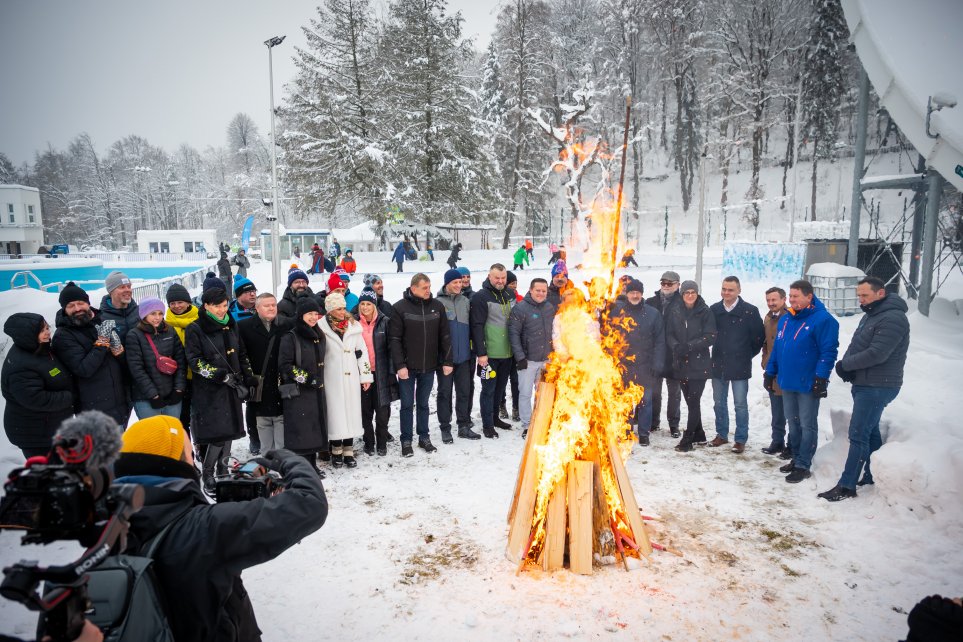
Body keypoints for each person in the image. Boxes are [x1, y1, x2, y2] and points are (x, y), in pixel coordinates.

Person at [112, 414, 327, 642]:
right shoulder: (206, 529)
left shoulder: (96, 526)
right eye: (189, 454)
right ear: (179, 462)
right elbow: (310, 503)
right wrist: (289, 459)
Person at [818, 277, 909, 501]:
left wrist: (845, 365)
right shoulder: (872, 314)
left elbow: (877, 353)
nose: (861, 300)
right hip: (865, 382)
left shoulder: (893, 318)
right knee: (870, 432)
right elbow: (858, 345)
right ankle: (871, 474)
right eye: (859, 295)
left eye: (865, 295)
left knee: (858, 434)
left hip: (878, 385)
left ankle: (847, 485)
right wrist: (848, 367)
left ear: (881, 293)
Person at [764, 279, 839, 484]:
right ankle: (796, 457)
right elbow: (778, 348)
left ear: (809, 296)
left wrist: (821, 378)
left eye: (796, 296)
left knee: (807, 424)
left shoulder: (823, 320)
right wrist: (770, 372)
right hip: (787, 381)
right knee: (793, 423)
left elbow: (828, 352)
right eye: (790, 296)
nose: (791, 300)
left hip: (807, 383)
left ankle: (804, 464)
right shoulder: (787, 319)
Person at [184, 285, 257, 494]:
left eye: (224, 305)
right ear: (206, 306)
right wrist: (219, 375)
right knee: (217, 433)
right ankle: (208, 472)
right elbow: (195, 362)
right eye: (217, 306)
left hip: (232, 386)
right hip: (210, 390)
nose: (222, 310)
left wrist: (248, 376)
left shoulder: (231, 324)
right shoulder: (195, 328)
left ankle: (222, 468)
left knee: (229, 431)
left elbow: (241, 353)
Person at [389, 273, 453, 455]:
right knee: (407, 405)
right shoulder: (399, 308)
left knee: (424, 404)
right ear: (413, 288)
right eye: (425, 288)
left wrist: (447, 360)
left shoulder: (437, 306)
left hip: (429, 366)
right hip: (407, 368)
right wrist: (400, 365)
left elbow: (445, 336)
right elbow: (394, 339)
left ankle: (424, 437)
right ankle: (406, 440)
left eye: (429, 287)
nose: (428, 291)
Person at [52, 281, 130, 428]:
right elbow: (84, 369)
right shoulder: (63, 336)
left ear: (88, 303)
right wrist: (101, 343)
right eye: (71, 306)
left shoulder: (99, 321)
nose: (77, 309)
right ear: (64, 309)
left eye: (80, 303)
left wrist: (119, 352)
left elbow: (117, 364)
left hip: (119, 405)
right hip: (93, 412)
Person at [1, 312, 74, 458]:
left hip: (49, 428)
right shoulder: (20, 366)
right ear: (27, 336)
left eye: (47, 327)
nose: (47, 332)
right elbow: (37, 399)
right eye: (41, 331)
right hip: (36, 435)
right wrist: (70, 397)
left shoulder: (39, 348)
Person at [708, 276, 765, 453]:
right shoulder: (715, 309)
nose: (726, 292)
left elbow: (758, 338)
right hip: (718, 364)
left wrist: (745, 355)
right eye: (724, 289)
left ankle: (740, 439)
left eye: (730, 290)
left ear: (739, 290)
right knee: (719, 402)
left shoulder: (750, 311)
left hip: (740, 365)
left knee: (740, 404)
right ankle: (721, 434)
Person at [318, 292, 373, 467]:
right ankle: (336, 447)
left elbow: (362, 353)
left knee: (351, 410)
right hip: (331, 377)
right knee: (335, 412)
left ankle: (348, 448)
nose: (343, 312)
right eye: (338, 309)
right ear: (330, 310)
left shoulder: (353, 326)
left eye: (343, 308)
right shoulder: (321, 327)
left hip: (351, 376)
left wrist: (365, 376)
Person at [609, 279, 664, 446]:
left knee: (645, 401)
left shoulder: (652, 314)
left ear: (642, 293)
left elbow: (660, 341)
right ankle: (625, 430)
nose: (634, 295)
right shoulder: (617, 312)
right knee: (624, 401)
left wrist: (658, 364)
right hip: (623, 365)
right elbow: (609, 337)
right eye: (631, 292)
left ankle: (644, 432)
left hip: (645, 366)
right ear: (627, 293)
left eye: (637, 292)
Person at [278, 297, 329, 473]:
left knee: (314, 429)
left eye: (316, 314)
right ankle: (303, 467)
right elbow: (285, 366)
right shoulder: (291, 337)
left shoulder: (319, 334)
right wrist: (307, 379)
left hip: (316, 391)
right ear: (300, 315)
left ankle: (312, 465)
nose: (314, 317)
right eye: (310, 314)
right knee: (302, 432)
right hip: (300, 392)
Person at [239, 293, 293, 455]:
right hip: (257, 378)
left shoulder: (285, 325)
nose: (271, 308)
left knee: (280, 413)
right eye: (266, 305)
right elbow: (241, 354)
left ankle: (280, 448)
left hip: (279, 377)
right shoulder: (244, 326)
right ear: (256, 308)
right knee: (256, 411)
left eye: (273, 305)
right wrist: (248, 375)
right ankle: (256, 440)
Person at [667, 281, 717, 452]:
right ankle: (699, 433)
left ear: (697, 293)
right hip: (681, 364)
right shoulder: (675, 311)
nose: (690, 295)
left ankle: (687, 439)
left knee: (694, 400)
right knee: (690, 401)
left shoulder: (705, 311)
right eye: (686, 292)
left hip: (699, 364)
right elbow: (669, 334)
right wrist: (676, 346)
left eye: (693, 292)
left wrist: (690, 346)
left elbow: (710, 336)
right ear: (681, 294)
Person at [508, 278, 557, 438]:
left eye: (544, 291)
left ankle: (540, 421)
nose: (541, 293)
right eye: (538, 290)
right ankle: (527, 425)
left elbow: (554, 332)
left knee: (542, 393)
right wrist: (520, 357)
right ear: (531, 290)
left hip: (546, 359)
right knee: (525, 393)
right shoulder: (520, 308)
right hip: (528, 360)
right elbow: (513, 333)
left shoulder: (549, 307)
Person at [470, 264, 515, 438]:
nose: (500, 281)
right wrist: (481, 353)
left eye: (503, 278)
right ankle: (487, 424)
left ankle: (495, 418)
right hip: (489, 355)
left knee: (500, 389)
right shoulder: (481, 297)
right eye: (497, 277)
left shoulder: (509, 294)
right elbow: (477, 326)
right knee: (488, 389)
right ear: (489, 276)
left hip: (507, 352)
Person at [125, 297, 187, 420]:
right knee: (154, 436)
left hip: (172, 394)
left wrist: (179, 388)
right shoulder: (134, 335)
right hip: (146, 399)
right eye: (153, 313)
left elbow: (181, 361)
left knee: (172, 434)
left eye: (160, 313)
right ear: (144, 315)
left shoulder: (170, 331)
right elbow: (137, 369)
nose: (157, 317)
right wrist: (153, 395)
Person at [436, 269, 479, 442]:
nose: (459, 285)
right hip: (446, 359)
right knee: (444, 393)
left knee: (464, 392)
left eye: (460, 282)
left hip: (464, 358)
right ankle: (445, 428)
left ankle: (463, 425)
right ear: (447, 283)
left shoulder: (465, 301)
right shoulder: (438, 303)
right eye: (455, 282)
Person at [355, 287, 399, 455]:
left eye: (368, 304)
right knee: (365, 411)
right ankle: (368, 441)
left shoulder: (385, 322)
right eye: (362, 304)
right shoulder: (353, 323)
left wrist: (390, 372)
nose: (365, 307)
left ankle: (382, 442)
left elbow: (391, 348)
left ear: (374, 305)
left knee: (382, 412)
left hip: (380, 373)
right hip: (362, 374)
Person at [646, 270, 683, 437]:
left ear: (678, 285)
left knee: (674, 392)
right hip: (656, 353)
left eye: (670, 283)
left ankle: (674, 425)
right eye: (663, 283)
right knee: (654, 390)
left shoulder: (683, 302)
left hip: (674, 354)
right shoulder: (651, 302)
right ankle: (654, 422)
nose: (666, 286)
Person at [164, 284, 198, 435]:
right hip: (177, 380)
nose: (176, 306)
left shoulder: (199, 321)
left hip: (199, 377)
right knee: (182, 420)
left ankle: (203, 451)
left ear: (188, 302)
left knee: (200, 417)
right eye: (172, 303)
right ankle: (186, 455)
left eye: (180, 302)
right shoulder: (165, 326)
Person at [760, 287, 790, 457]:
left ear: (783, 299)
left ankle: (791, 445)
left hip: (786, 371)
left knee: (791, 411)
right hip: (772, 371)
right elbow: (766, 343)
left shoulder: (790, 317)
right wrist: (765, 361)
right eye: (768, 300)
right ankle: (777, 441)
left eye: (774, 300)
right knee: (777, 410)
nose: (771, 303)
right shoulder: (768, 317)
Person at [100, 270, 140, 344]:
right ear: (111, 291)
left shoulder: (139, 311)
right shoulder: (102, 318)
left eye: (129, 286)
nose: (127, 290)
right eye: (122, 287)